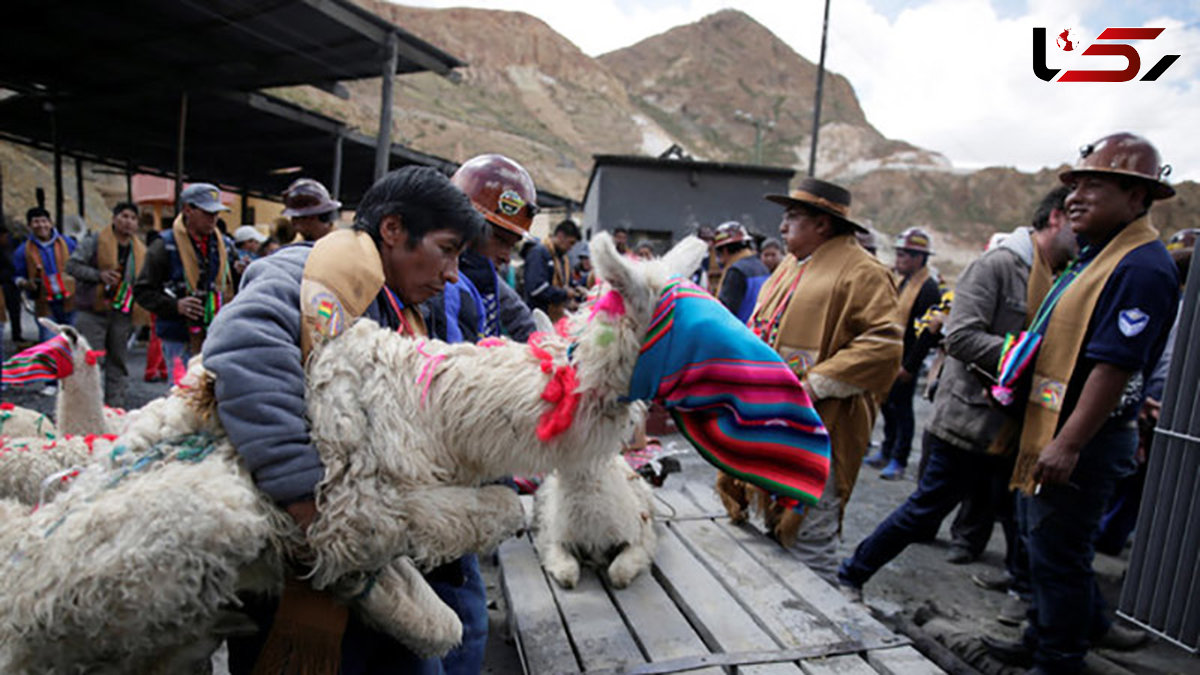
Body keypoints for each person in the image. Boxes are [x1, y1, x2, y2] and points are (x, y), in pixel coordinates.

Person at [204, 166, 487, 674]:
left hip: (371, 557)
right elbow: (242, 348)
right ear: (394, 230)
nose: (450, 273)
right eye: (446, 249)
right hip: (302, 558)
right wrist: (309, 501)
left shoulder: (398, 308)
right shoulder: (306, 276)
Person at [984, 133, 1179, 675]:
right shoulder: (1094, 258)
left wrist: (1067, 445)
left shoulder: (1141, 267)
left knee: (1059, 558)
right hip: (1055, 429)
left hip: (1084, 441)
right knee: (1039, 545)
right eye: (1074, 185)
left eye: (1095, 184)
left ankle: (1058, 659)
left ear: (1137, 197)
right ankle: (1041, 635)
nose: (1075, 196)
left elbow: (1113, 367)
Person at [837, 186, 1077, 599]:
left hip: (1015, 425)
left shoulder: (1059, 275)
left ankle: (1025, 597)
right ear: (1056, 217)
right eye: (1077, 220)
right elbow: (961, 337)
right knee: (924, 510)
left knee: (1017, 516)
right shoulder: (999, 266)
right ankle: (852, 572)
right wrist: (1027, 354)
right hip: (968, 421)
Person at [747, 177, 901, 582]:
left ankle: (818, 632)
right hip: (774, 418)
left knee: (810, 532)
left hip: (824, 422)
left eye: (793, 217)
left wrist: (814, 385)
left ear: (823, 224)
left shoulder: (863, 272)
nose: (782, 227)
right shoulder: (789, 266)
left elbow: (884, 344)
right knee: (769, 520)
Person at [426, 153, 538, 343]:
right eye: (501, 241)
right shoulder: (434, 283)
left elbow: (519, 316)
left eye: (512, 246)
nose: (507, 258)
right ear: (466, 225)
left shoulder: (484, 276)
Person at [133, 183, 236, 377]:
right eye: (207, 212)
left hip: (217, 334)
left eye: (216, 213)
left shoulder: (225, 246)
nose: (213, 218)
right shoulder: (164, 246)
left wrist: (240, 271)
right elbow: (142, 291)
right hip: (178, 334)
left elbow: (234, 287)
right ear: (187, 210)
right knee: (183, 392)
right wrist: (175, 306)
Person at [866, 228, 943, 480]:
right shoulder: (901, 282)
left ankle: (899, 458)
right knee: (887, 405)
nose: (898, 260)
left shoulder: (928, 289)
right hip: (891, 357)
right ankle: (887, 449)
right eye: (897, 254)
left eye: (904, 256)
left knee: (902, 409)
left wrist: (910, 366)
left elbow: (926, 334)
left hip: (907, 360)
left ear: (919, 258)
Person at [66, 202, 149, 407]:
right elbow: (72, 265)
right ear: (114, 218)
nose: (128, 222)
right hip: (93, 310)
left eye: (132, 218)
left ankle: (115, 407)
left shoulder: (140, 250)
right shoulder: (95, 241)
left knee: (118, 362)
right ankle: (84, 407)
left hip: (123, 311)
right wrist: (99, 275)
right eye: (124, 216)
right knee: (89, 361)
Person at [13, 206, 77, 341]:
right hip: (45, 305)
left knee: (74, 343)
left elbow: (81, 265)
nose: (41, 225)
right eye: (36, 222)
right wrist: (25, 283)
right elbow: (16, 276)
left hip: (71, 302)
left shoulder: (68, 243)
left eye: (44, 221)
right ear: (29, 225)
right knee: (50, 344)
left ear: (50, 223)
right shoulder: (22, 250)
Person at [523, 218, 582, 321]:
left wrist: (577, 289)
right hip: (537, 317)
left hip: (555, 317)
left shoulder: (563, 259)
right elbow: (537, 289)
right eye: (570, 243)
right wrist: (565, 293)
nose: (571, 248)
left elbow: (566, 283)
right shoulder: (539, 253)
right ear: (560, 236)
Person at [712, 221, 769, 323]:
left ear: (724, 250)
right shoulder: (762, 266)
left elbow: (725, 314)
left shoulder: (735, 271)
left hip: (739, 333)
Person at [283, 178, 341, 242]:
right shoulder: (300, 246)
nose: (294, 225)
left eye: (296, 218)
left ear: (312, 218)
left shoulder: (340, 245)